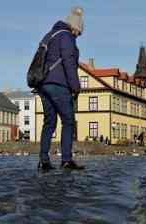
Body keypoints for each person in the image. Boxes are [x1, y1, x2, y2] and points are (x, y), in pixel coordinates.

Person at [37, 7, 85, 171]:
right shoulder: (66, 36)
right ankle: (66, 159)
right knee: (68, 121)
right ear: (75, 27)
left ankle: (43, 161)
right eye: (78, 32)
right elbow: (68, 62)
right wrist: (75, 86)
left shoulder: (50, 35)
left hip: (43, 84)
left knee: (49, 122)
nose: (77, 36)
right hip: (58, 84)